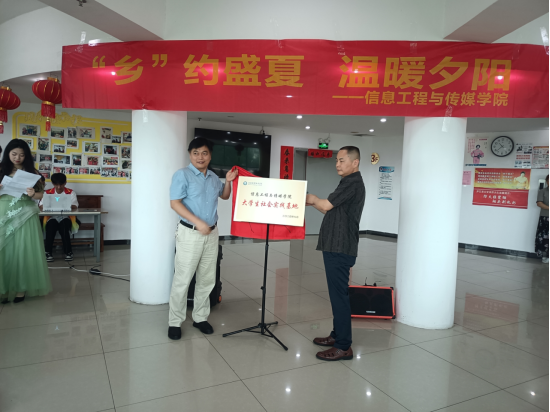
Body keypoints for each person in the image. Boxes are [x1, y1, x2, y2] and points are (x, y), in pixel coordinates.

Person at [168, 137, 238, 340]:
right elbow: (175, 203)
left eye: (204, 153)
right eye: (196, 153)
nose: (200, 157)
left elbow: (224, 196)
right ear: (190, 155)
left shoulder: (214, 177)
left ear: (210, 155)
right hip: (190, 233)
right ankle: (175, 321)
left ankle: (200, 318)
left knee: (207, 279)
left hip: (212, 233)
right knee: (183, 279)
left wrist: (228, 181)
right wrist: (197, 222)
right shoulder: (182, 175)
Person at [306, 146, 366, 361]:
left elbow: (325, 204)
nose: (337, 164)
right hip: (335, 245)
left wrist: (312, 198)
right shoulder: (347, 182)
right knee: (336, 295)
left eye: (342, 160)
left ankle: (343, 346)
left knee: (339, 297)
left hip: (340, 247)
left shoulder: (352, 182)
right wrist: (313, 202)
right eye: (336, 161)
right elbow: (328, 209)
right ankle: (337, 335)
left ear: (355, 162)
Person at [0, 139, 51, 304]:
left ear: (26, 156)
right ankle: (4, 288)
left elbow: (42, 194)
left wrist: (33, 194)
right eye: (14, 154)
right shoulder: (1, 169)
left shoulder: (33, 173)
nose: (17, 158)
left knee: (23, 250)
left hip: (26, 213)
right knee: (4, 251)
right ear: (8, 153)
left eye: (21, 155)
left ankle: (21, 289)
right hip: (3, 212)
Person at [39, 173, 79, 262]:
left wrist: (59, 204)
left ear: (65, 183)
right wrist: (59, 204)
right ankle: (48, 252)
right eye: (56, 184)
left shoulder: (71, 192)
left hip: (66, 217)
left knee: (64, 227)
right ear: (53, 183)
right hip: (51, 217)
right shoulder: (47, 193)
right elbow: (41, 206)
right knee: (51, 227)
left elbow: (75, 206)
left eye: (61, 184)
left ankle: (68, 252)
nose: (59, 187)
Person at [536, 175, 549, 264]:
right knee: (543, 237)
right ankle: (544, 255)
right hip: (545, 218)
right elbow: (539, 203)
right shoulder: (542, 191)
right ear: (547, 181)